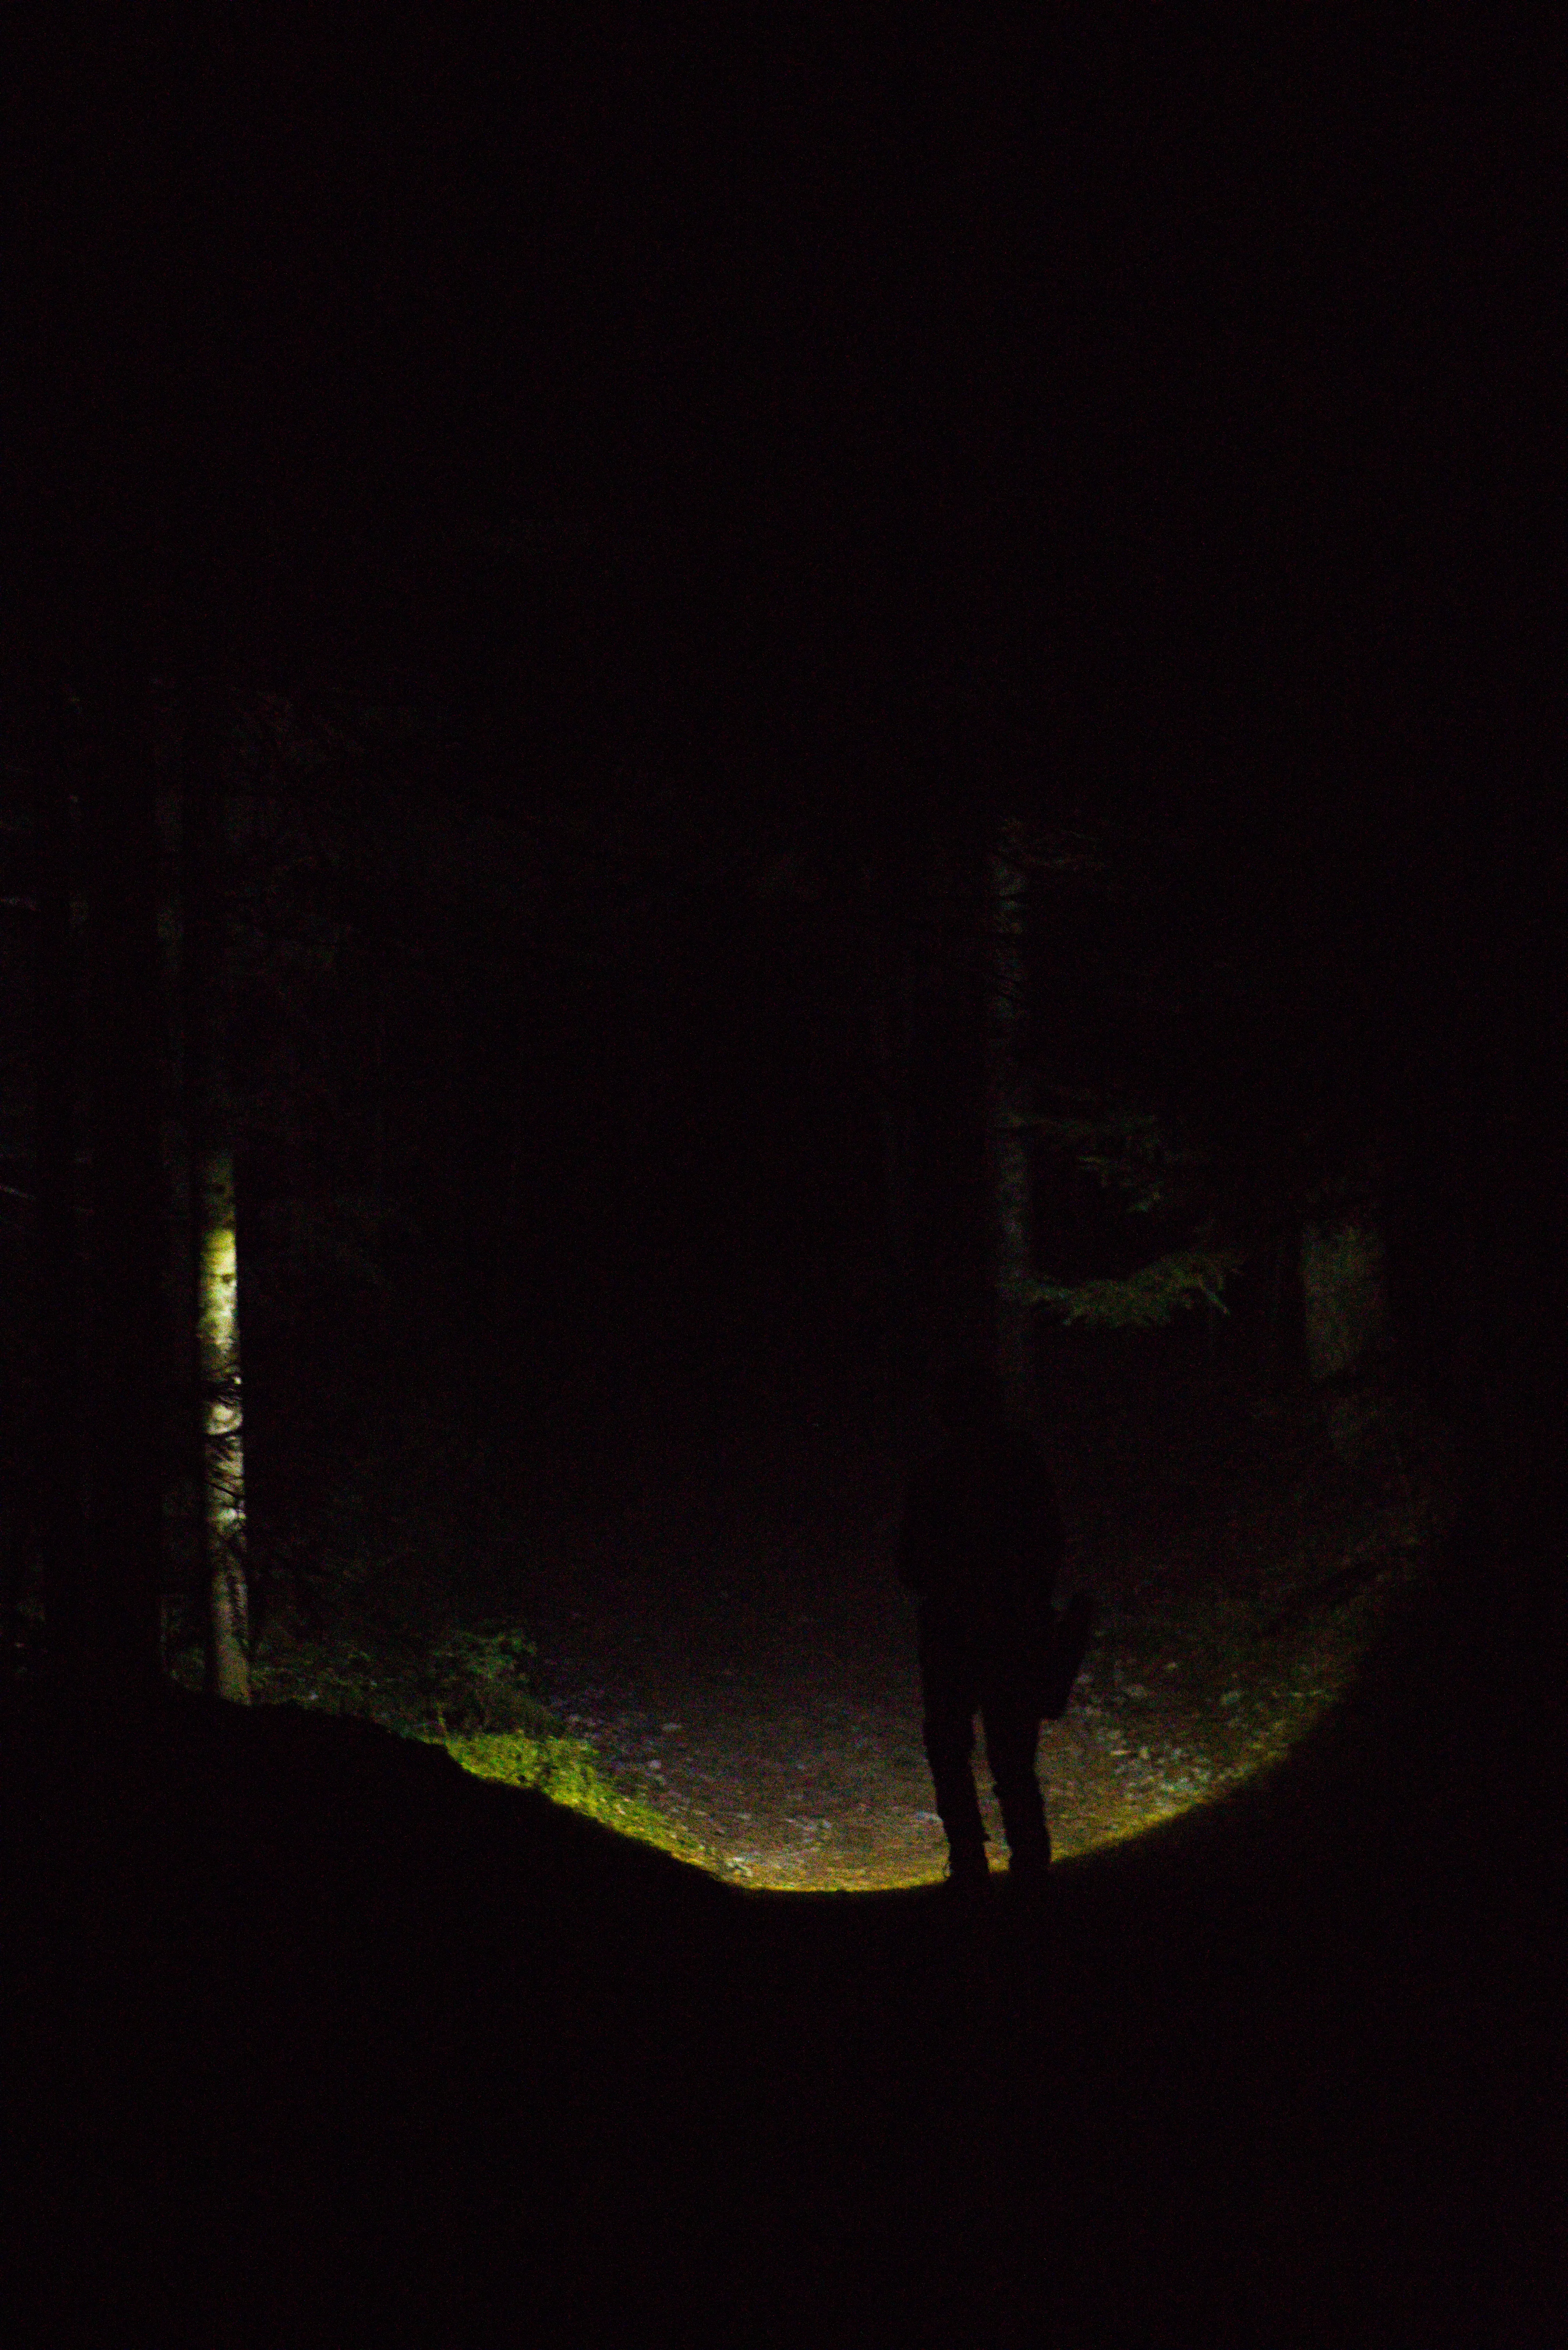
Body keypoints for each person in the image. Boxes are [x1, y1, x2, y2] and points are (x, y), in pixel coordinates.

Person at [897, 1361, 1083, 1891]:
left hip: (953, 1628)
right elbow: (1051, 1542)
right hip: (1013, 1624)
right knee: (1013, 1751)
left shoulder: (935, 1473)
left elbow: (909, 1562)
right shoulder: (1022, 1464)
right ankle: (1029, 1854)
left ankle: (968, 1858)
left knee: (950, 1747)